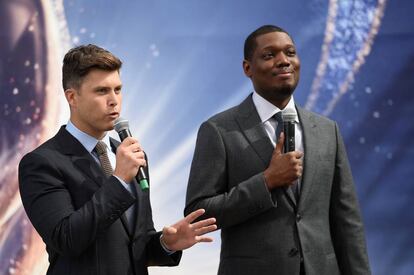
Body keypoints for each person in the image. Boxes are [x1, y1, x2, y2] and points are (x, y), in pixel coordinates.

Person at [185, 25, 370, 275]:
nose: (283, 61)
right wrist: (265, 182)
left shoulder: (327, 130)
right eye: (269, 55)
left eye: (290, 52)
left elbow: (347, 220)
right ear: (247, 68)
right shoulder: (218, 130)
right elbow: (199, 212)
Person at [19, 44, 217, 275]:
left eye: (118, 89)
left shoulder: (130, 156)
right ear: (72, 97)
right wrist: (120, 179)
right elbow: (66, 239)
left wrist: (166, 244)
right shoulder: (42, 163)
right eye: (102, 91)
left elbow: (135, 245)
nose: (114, 100)